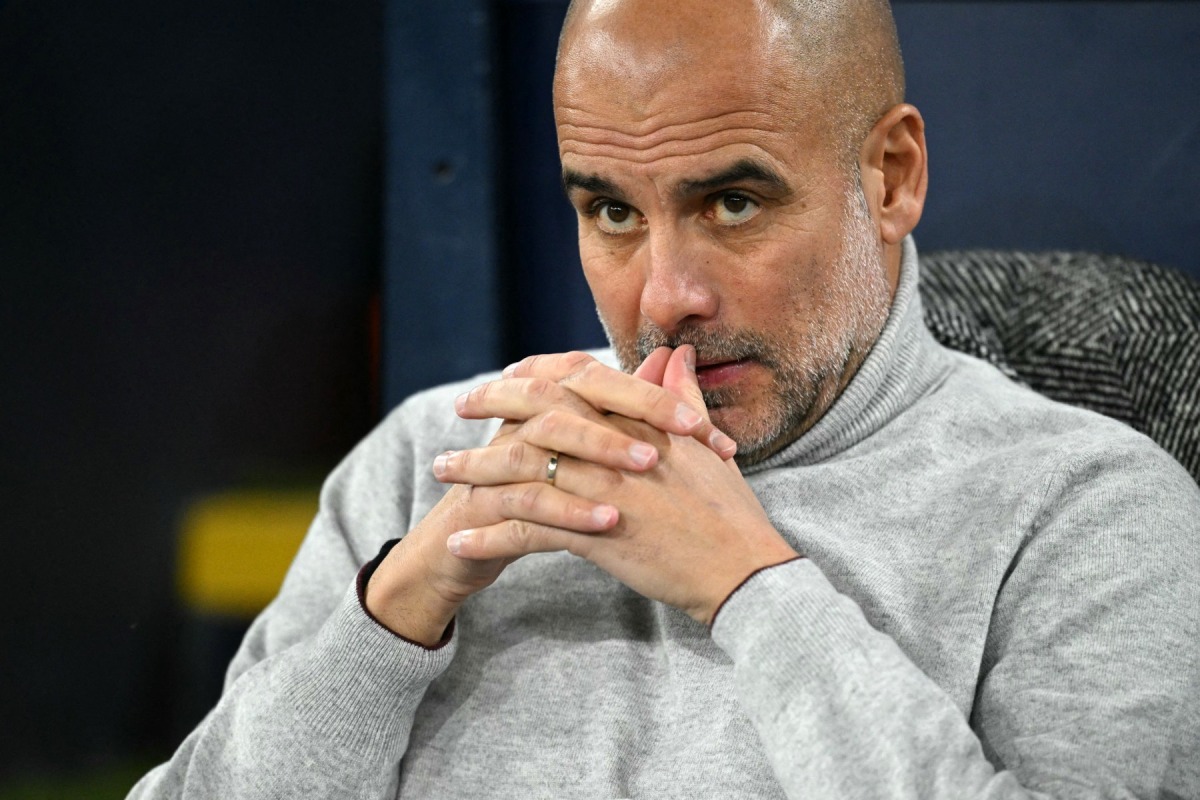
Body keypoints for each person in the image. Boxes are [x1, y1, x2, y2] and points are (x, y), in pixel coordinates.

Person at [131, 0, 1200, 797]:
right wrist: (397, 606)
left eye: (732, 202)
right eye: (610, 212)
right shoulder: (434, 459)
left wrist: (751, 587)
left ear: (890, 177)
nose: (664, 295)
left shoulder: (1091, 514)